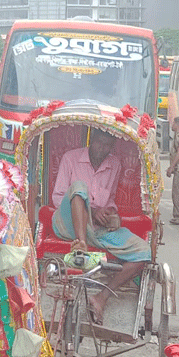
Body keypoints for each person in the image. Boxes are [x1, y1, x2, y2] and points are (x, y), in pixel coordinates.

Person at [50, 128, 151, 325]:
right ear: (91, 140)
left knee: (144, 252)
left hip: (96, 229)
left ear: (112, 147)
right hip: (68, 224)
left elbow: (110, 199)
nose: (102, 149)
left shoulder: (114, 164)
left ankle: (101, 297)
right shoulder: (71, 158)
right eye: (99, 143)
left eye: (107, 145)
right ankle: (81, 245)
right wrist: (91, 210)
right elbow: (57, 198)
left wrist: (109, 214)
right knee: (79, 187)